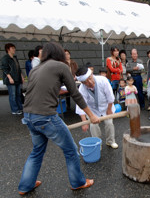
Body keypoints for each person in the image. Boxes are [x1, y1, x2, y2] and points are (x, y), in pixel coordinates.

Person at [18, 42, 99, 195]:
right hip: (46, 117)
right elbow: (75, 93)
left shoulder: (35, 69)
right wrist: (92, 115)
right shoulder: (61, 66)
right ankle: (78, 182)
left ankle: (25, 185)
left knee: (37, 151)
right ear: (59, 54)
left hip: (28, 116)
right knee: (71, 151)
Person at [75, 67, 118, 149]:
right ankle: (98, 143)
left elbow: (110, 96)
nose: (90, 82)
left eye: (90, 78)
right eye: (86, 82)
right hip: (92, 110)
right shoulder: (82, 88)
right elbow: (80, 105)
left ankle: (110, 141)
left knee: (109, 124)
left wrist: (109, 109)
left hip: (106, 106)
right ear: (81, 82)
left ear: (92, 74)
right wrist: (84, 121)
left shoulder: (103, 80)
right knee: (93, 126)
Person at [1, 43, 24, 115]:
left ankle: (20, 108)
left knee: (18, 94)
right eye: (12, 48)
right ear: (8, 49)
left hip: (17, 78)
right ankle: (14, 110)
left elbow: (18, 69)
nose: (14, 49)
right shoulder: (5, 58)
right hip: (11, 79)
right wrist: (10, 78)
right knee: (12, 95)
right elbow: (5, 69)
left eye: (14, 48)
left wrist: (21, 76)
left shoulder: (15, 58)